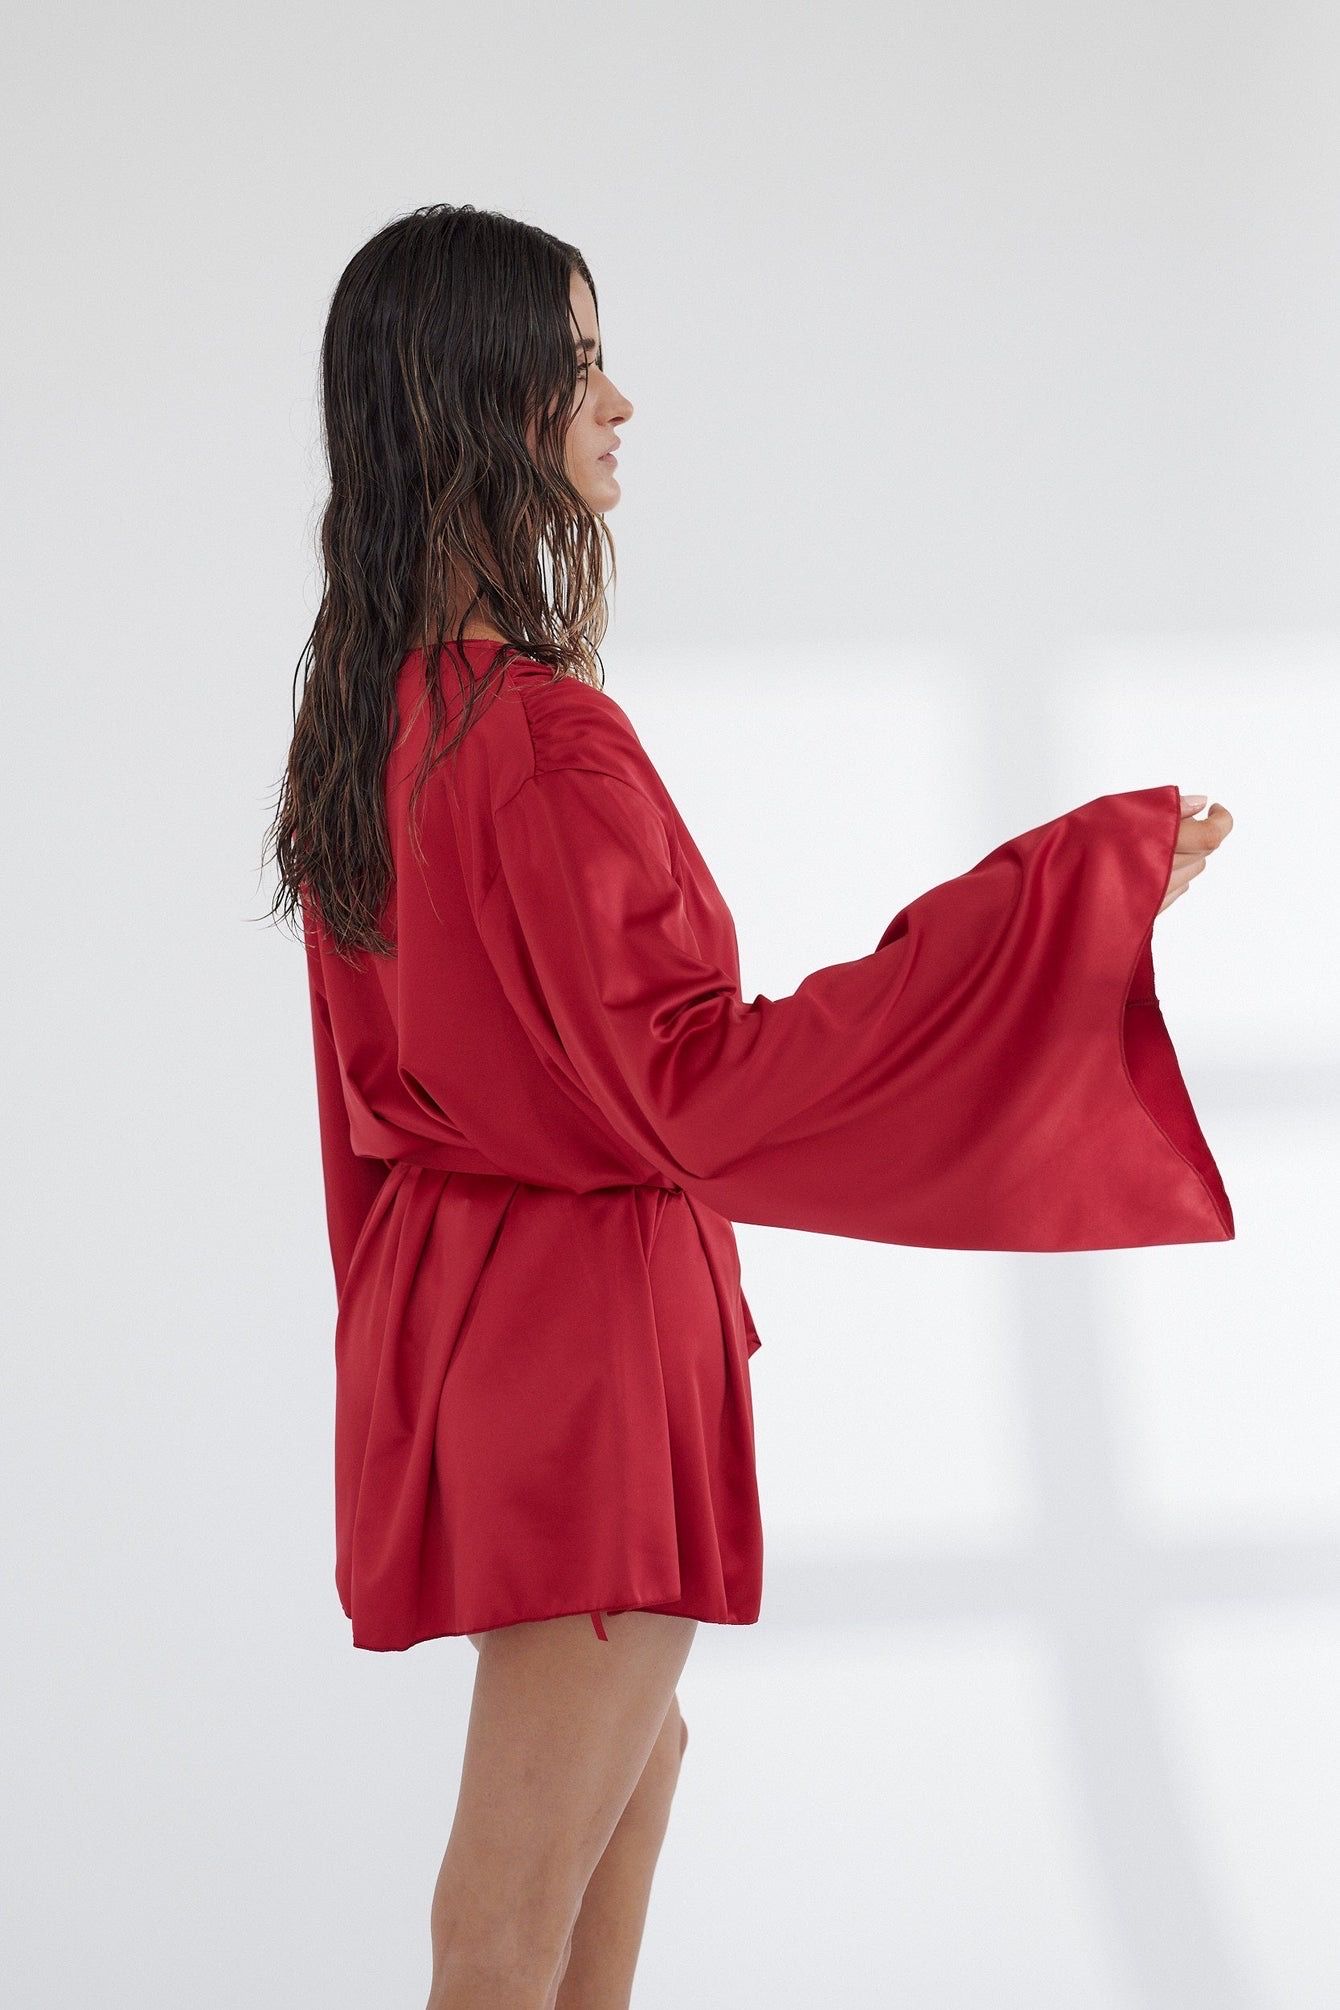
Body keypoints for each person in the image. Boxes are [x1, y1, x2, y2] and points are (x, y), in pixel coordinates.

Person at [264, 203, 1234, 2010]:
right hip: (585, 1342)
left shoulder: (366, 723)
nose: (619, 400)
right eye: (577, 365)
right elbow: (696, 1084)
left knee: (629, 1793)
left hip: (467, 1326)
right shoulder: (538, 740)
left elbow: (362, 1114)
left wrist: (399, 1385)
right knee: (506, 1903)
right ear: (478, 400)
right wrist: (1050, 912)